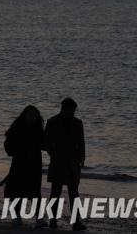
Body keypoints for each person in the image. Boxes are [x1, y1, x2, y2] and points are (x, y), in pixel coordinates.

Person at [44, 98, 86, 231]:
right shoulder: (52, 122)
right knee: (55, 193)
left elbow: (81, 142)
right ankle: (52, 220)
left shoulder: (78, 123)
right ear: (62, 110)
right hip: (58, 162)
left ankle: (76, 222)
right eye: (68, 113)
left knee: (74, 194)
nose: (70, 116)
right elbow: (46, 143)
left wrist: (81, 158)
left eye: (72, 113)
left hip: (72, 163)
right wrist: (53, 151)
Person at [2, 105, 47, 228]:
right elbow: (8, 145)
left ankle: (39, 218)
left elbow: (44, 146)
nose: (32, 118)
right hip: (19, 165)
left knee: (35, 192)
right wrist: (14, 152)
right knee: (18, 191)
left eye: (35, 116)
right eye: (30, 115)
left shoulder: (39, 130)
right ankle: (16, 216)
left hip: (34, 166)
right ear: (25, 116)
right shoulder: (16, 129)